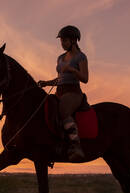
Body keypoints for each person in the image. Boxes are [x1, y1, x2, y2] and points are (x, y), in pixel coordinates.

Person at [38, 25, 88, 161]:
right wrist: (46, 83)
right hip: (60, 90)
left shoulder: (81, 57)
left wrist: (72, 70)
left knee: (63, 110)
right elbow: (60, 79)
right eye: (61, 41)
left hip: (73, 92)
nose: (62, 44)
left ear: (73, 40)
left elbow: (85, 78)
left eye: (64, 41)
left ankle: (76, 145)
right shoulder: (60, 58)